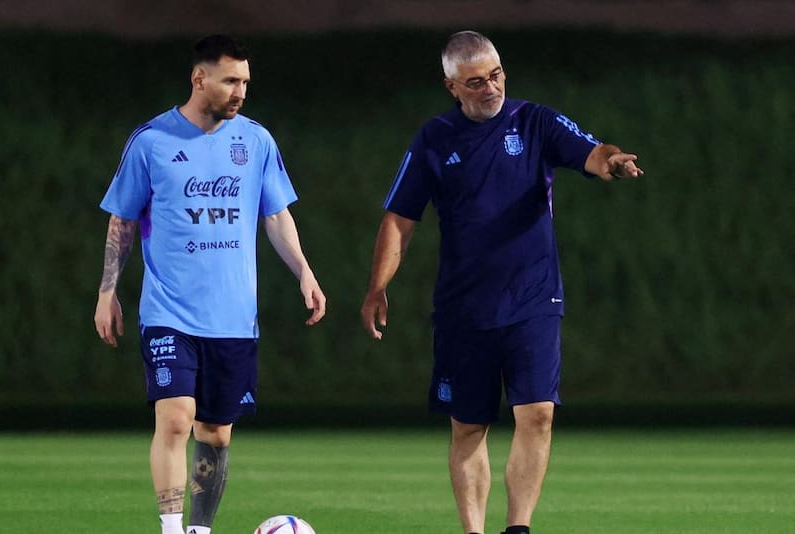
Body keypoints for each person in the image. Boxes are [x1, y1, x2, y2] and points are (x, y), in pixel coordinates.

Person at [360, 31, 642, 534]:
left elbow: (593, 151)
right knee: (469, 426)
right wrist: (378, 287)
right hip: (464, 307)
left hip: (534, 296)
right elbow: (400, 218)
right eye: (475, 82)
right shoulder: (434, 139)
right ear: (451, 86)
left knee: (537, 414)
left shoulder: (535, 121)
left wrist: (613, 162)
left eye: (496, 75)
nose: (490, 88)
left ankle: (518, 528)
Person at [94, 34, 326, 534]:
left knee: (216, 432)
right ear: (199, 79)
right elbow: (123, 221)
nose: (241, 91)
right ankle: (172, 530)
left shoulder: (256, 141)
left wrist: (304, 270)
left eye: (245, 81)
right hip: (169, 312)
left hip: (233, 316)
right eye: (230, 81)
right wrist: (106, 292)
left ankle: (200, 529)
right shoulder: (151, 142)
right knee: (176, 418)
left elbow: (275, 214)